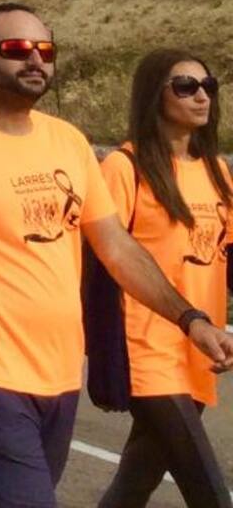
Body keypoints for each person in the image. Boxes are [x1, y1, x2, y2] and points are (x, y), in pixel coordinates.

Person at [0, 2, 233, 508]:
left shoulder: (69, 143)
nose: (35, 59)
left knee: (8, 493)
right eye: (15, 49)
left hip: (58, 370)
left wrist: (190, 320)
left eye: (45, 49)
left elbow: (118, 248)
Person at [97, 52, 233, 508]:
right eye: (185, 86)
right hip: (145, 345)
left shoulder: (217, 170)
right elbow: (103, 255)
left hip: (199, 345)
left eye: (208, 86)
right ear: (155, 94)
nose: (201, 95)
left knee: (137, 479)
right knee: (208, 489)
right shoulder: (124, 167)